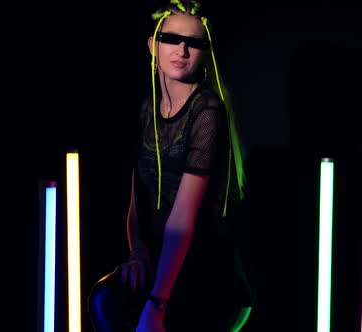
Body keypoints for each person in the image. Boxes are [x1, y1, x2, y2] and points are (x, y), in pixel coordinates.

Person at [88, 1, 255, 331]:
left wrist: (156, 305)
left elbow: (181, 220)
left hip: (207, 277)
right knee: (102, 299)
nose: (182, 49)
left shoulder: (207, 110)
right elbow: (138, 195)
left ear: (204, 52)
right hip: (163, 270)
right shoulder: (146, 108)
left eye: (193, 42)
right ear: (153, 46)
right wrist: (137, 252)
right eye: (171, 39)